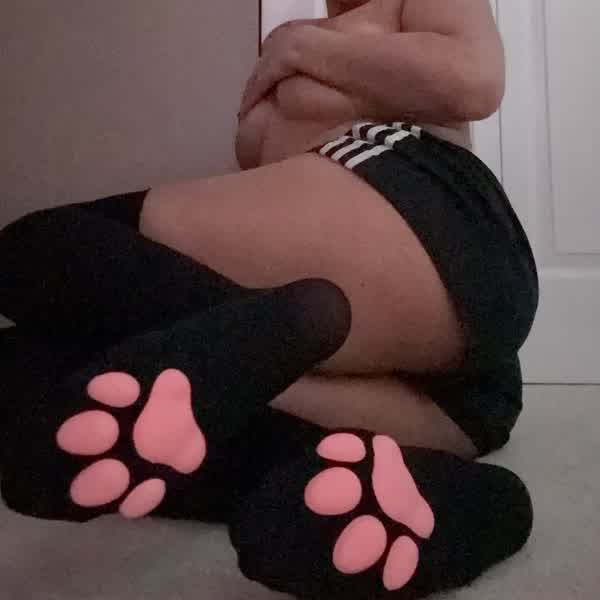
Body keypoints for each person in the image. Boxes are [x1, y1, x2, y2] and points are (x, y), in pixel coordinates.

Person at [1, 0, 537, 463]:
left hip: (428, 202)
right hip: (454, 382)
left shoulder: (381, 12)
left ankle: (303, 320)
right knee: (40, 367)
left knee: (38, 247)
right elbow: (259, 162)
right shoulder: (293, 38)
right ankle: (464, 499)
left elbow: (474, 80)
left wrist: (299, 48)